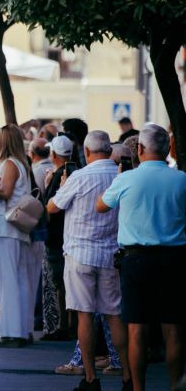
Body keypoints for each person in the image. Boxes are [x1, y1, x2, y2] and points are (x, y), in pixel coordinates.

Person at [98, 124, 185, 391]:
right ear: (168, 149)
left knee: (137, 328)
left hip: (136, 261)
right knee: (174, 329)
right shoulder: (182, 179)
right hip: (174, 260)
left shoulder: (126, 179)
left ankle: (138, 388)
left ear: (139, 149)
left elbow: (101, 205)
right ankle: (174, 385)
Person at [47, 130, 130, 391]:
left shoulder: (78, 177)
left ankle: (91, 378)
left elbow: (52, 207)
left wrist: (60, 188)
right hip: (110, 254)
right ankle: (129, 376)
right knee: (114, 315)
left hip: (80, 254)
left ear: (86, 151)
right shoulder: (121, 177)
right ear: (109, 150)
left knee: (85, 315)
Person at [0, 124, 36, 348]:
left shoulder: (9, 164)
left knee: (6, 280)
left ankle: (10, 331)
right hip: (16, 229)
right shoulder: (22, 164)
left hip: (5, 226)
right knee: (19, 279)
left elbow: (4, 192)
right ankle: (22, 328)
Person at [41, 135, 76, 342]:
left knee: (58, 283)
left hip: (56, 238)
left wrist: (47, 186)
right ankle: (67, 324)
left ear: (53, 154)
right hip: (67, 236)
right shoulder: (75, 172)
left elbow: (50, 207)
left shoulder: (59, 176)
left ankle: (61, 326)